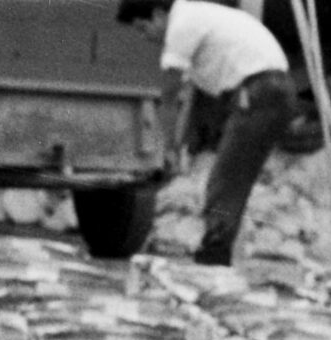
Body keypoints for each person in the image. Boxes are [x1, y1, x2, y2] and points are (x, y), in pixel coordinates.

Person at [117, 0, 296, 265]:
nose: (146, 37)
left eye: (144, 28)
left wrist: (166, 147)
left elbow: (169, 94)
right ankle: (217, 249)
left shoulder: (182, 22)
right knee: (235, 176)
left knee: (226, 179)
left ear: (158, 14)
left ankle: (214, 254)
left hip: (258, 90)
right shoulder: (202, 16)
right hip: (272, 89)